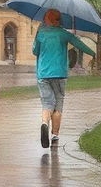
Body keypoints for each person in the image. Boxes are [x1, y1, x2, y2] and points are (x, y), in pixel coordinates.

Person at [33, 8, 96, 148]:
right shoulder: (64, 34)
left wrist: (38, 36)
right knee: (58, 105)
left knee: (47, 103)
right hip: (60, 74)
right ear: (59, 20)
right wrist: (93, 53)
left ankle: (44, 123)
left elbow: (34, 51)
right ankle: (54, 135)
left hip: (43, 74)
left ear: (46, 19)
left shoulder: (41, 34)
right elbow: (80, 45)